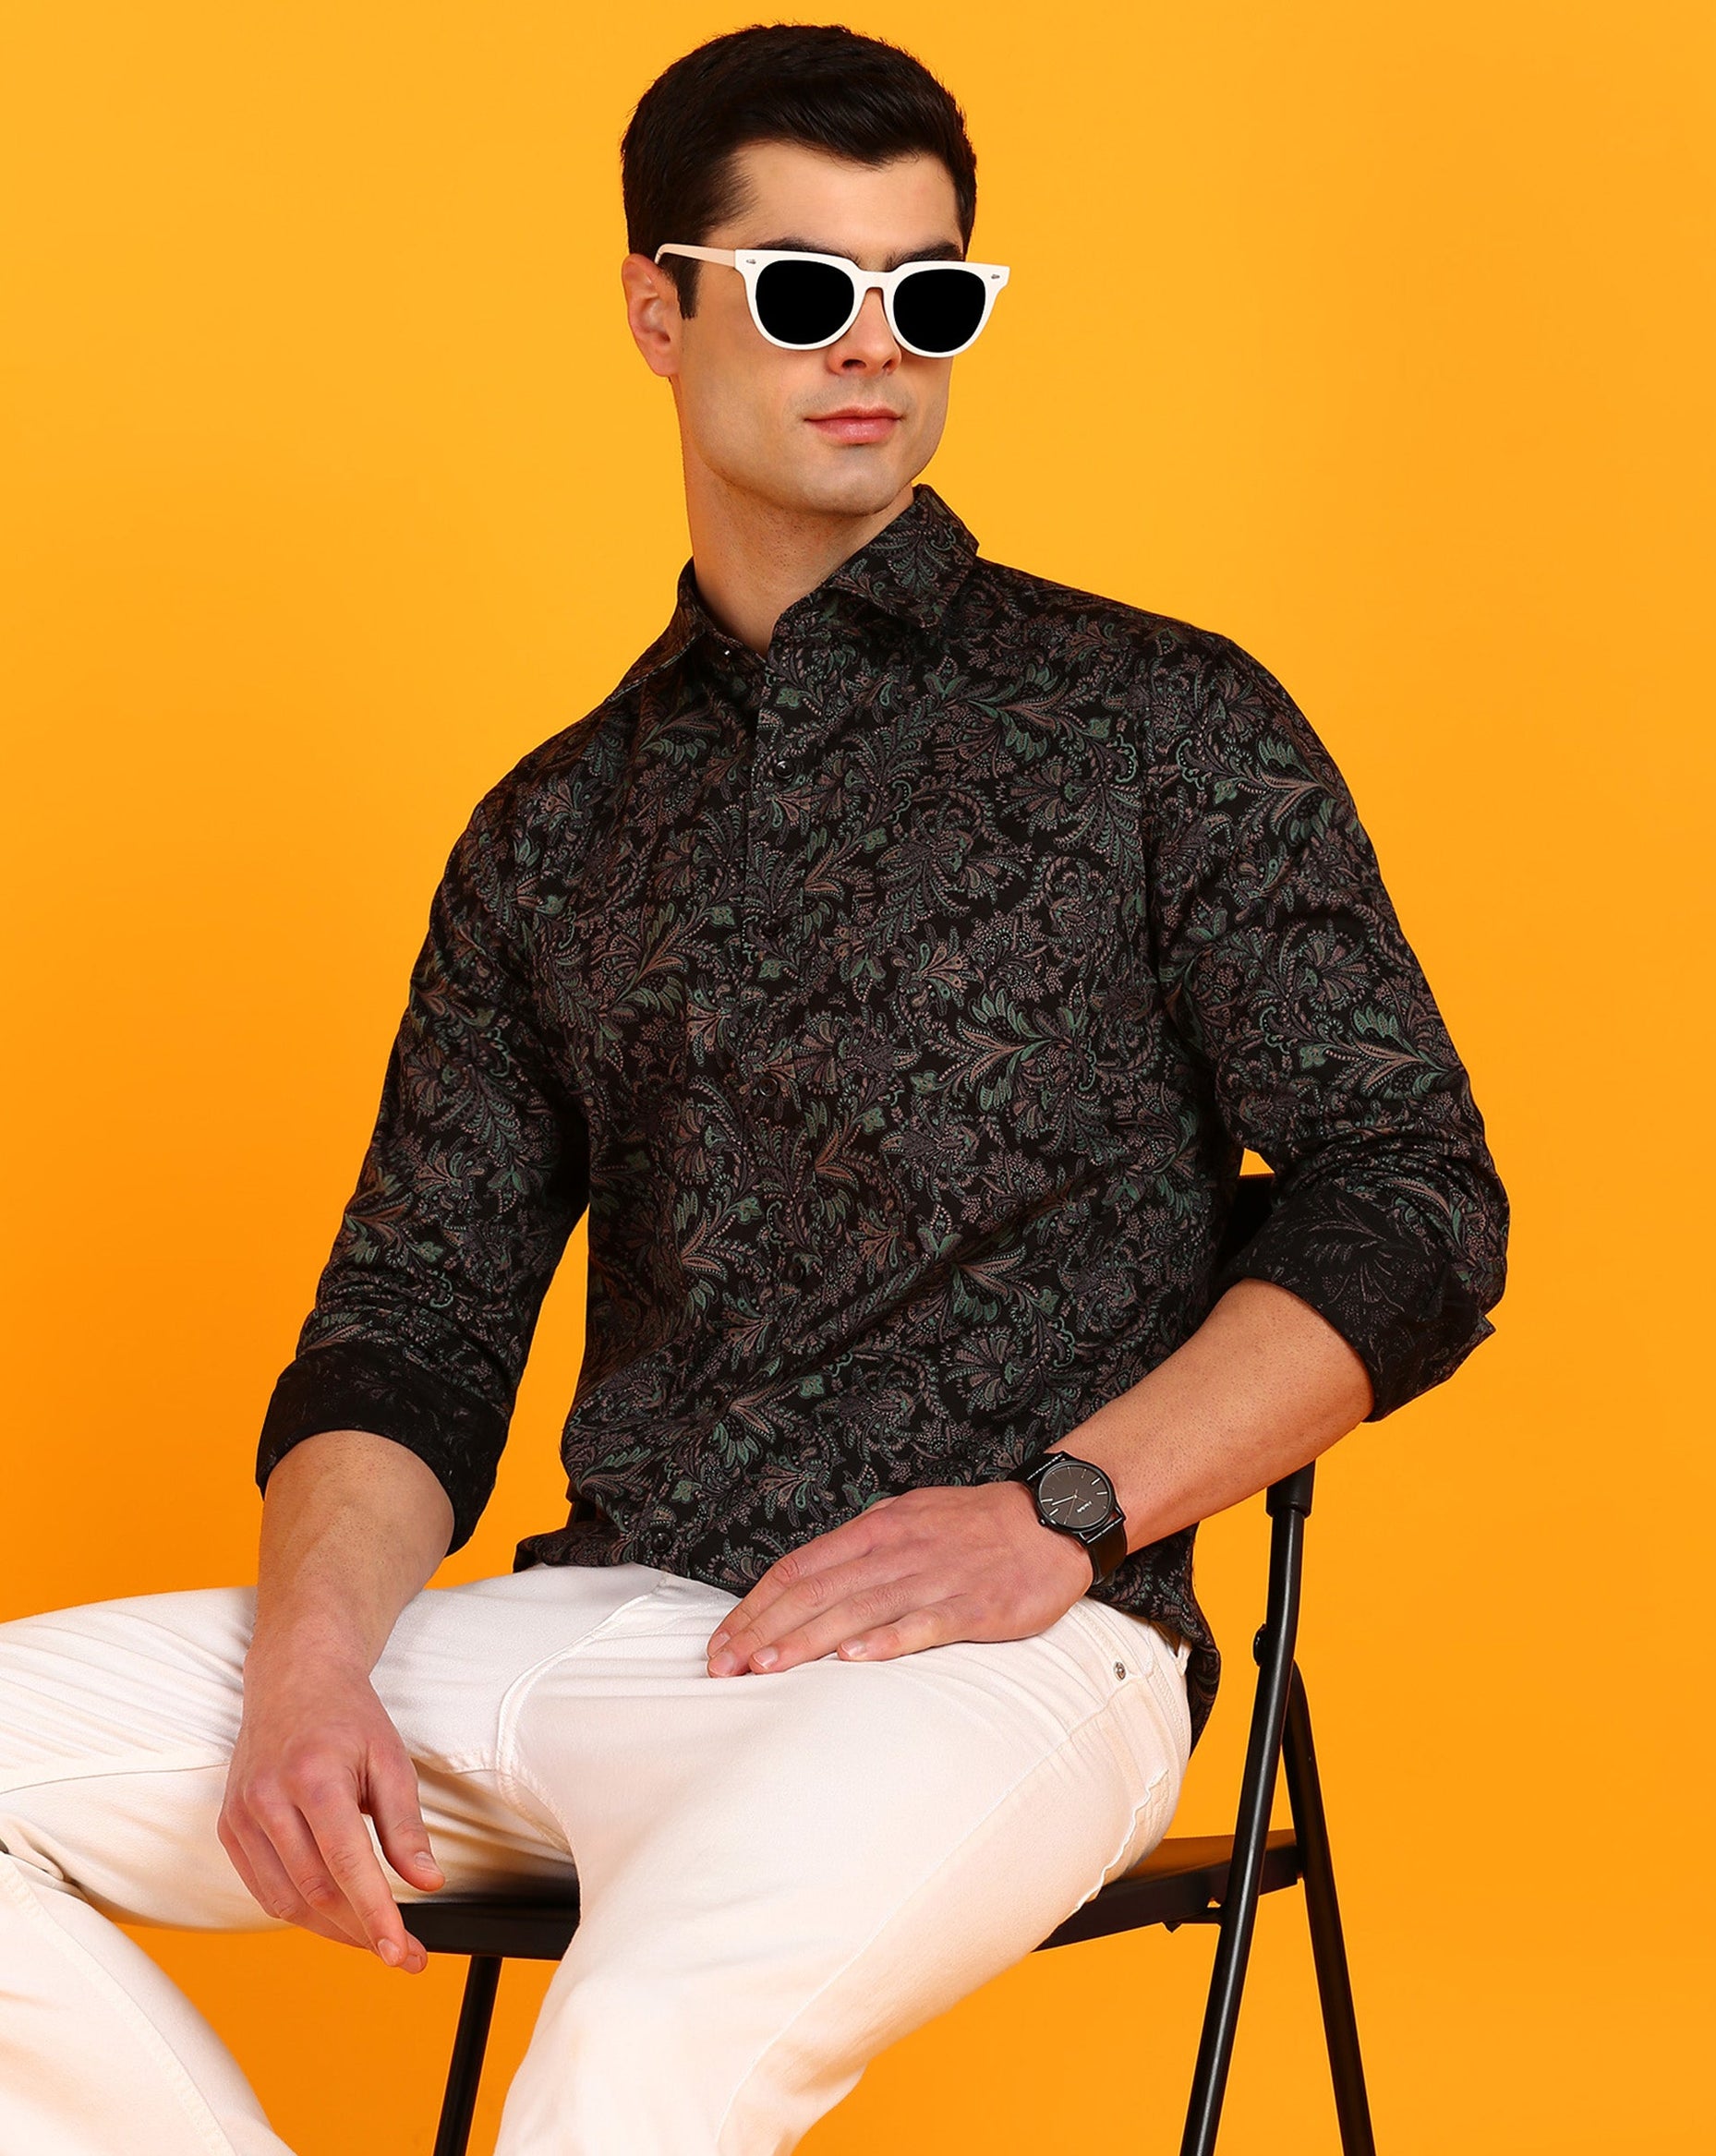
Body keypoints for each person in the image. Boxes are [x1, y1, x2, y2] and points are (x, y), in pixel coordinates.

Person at [0, 22, 1507, 2155]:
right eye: (805, 288)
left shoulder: (1157, 723)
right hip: (587, 1629)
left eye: (929, 292)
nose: (874, 345)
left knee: (639, 2050)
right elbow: (412, 1322)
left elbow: (1412, 1198)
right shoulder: (552, 828)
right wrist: (310, 1662)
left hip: (998, 1655)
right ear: (658, 308)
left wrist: (1062, 1510)